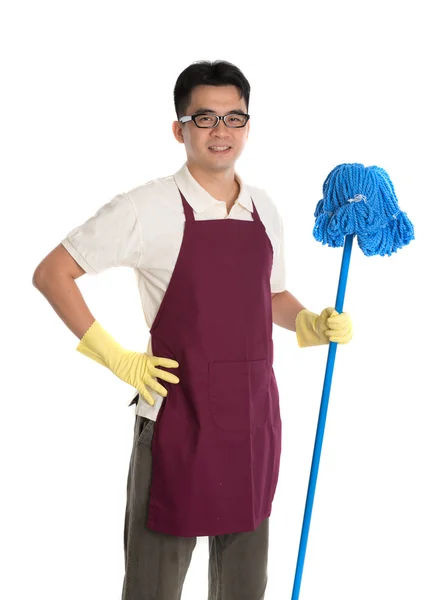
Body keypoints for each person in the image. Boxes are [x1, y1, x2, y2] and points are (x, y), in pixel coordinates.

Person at [32, 60, 352, 600]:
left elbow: (268, 293)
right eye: (204, 117)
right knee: (154, 588)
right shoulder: (146, 207)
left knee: (245, 588)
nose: (220, 130)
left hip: (252, 422)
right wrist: (117, 358)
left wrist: (308, 322)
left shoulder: (264, 208)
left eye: (234, 117)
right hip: (178, 419)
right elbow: (52, 273)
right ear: (179, 129)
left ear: (249, 126)